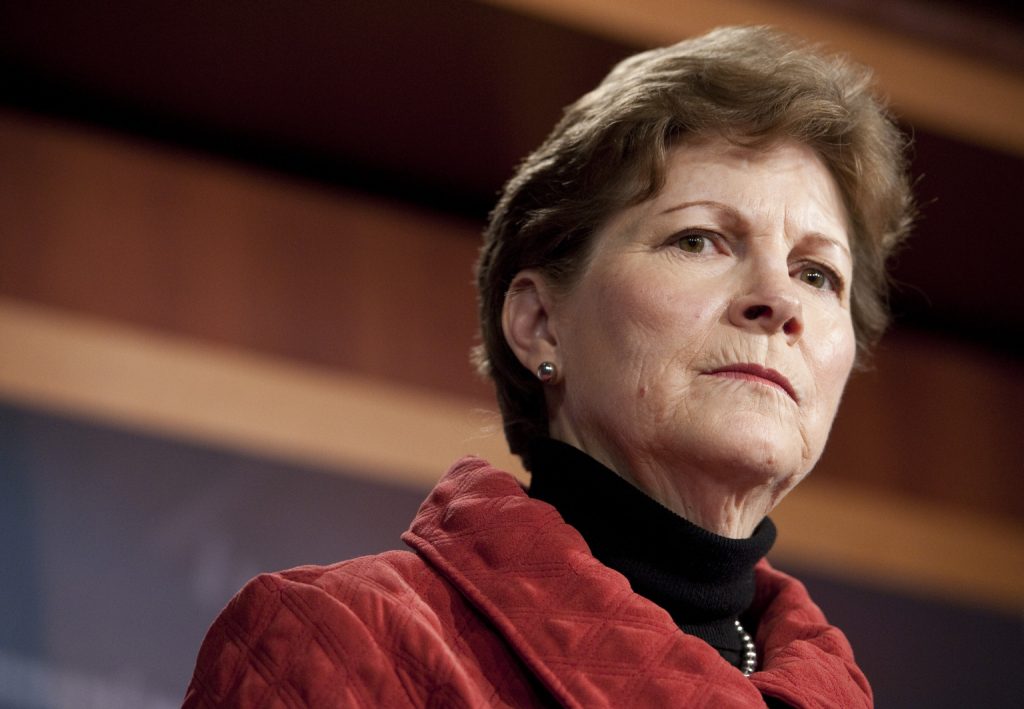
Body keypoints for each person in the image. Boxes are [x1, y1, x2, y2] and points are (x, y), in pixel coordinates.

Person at [184, 25, 913, 708]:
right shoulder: (337, 642)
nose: (779, 300)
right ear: (539, 323)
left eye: (818, 274)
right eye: (699, 240)